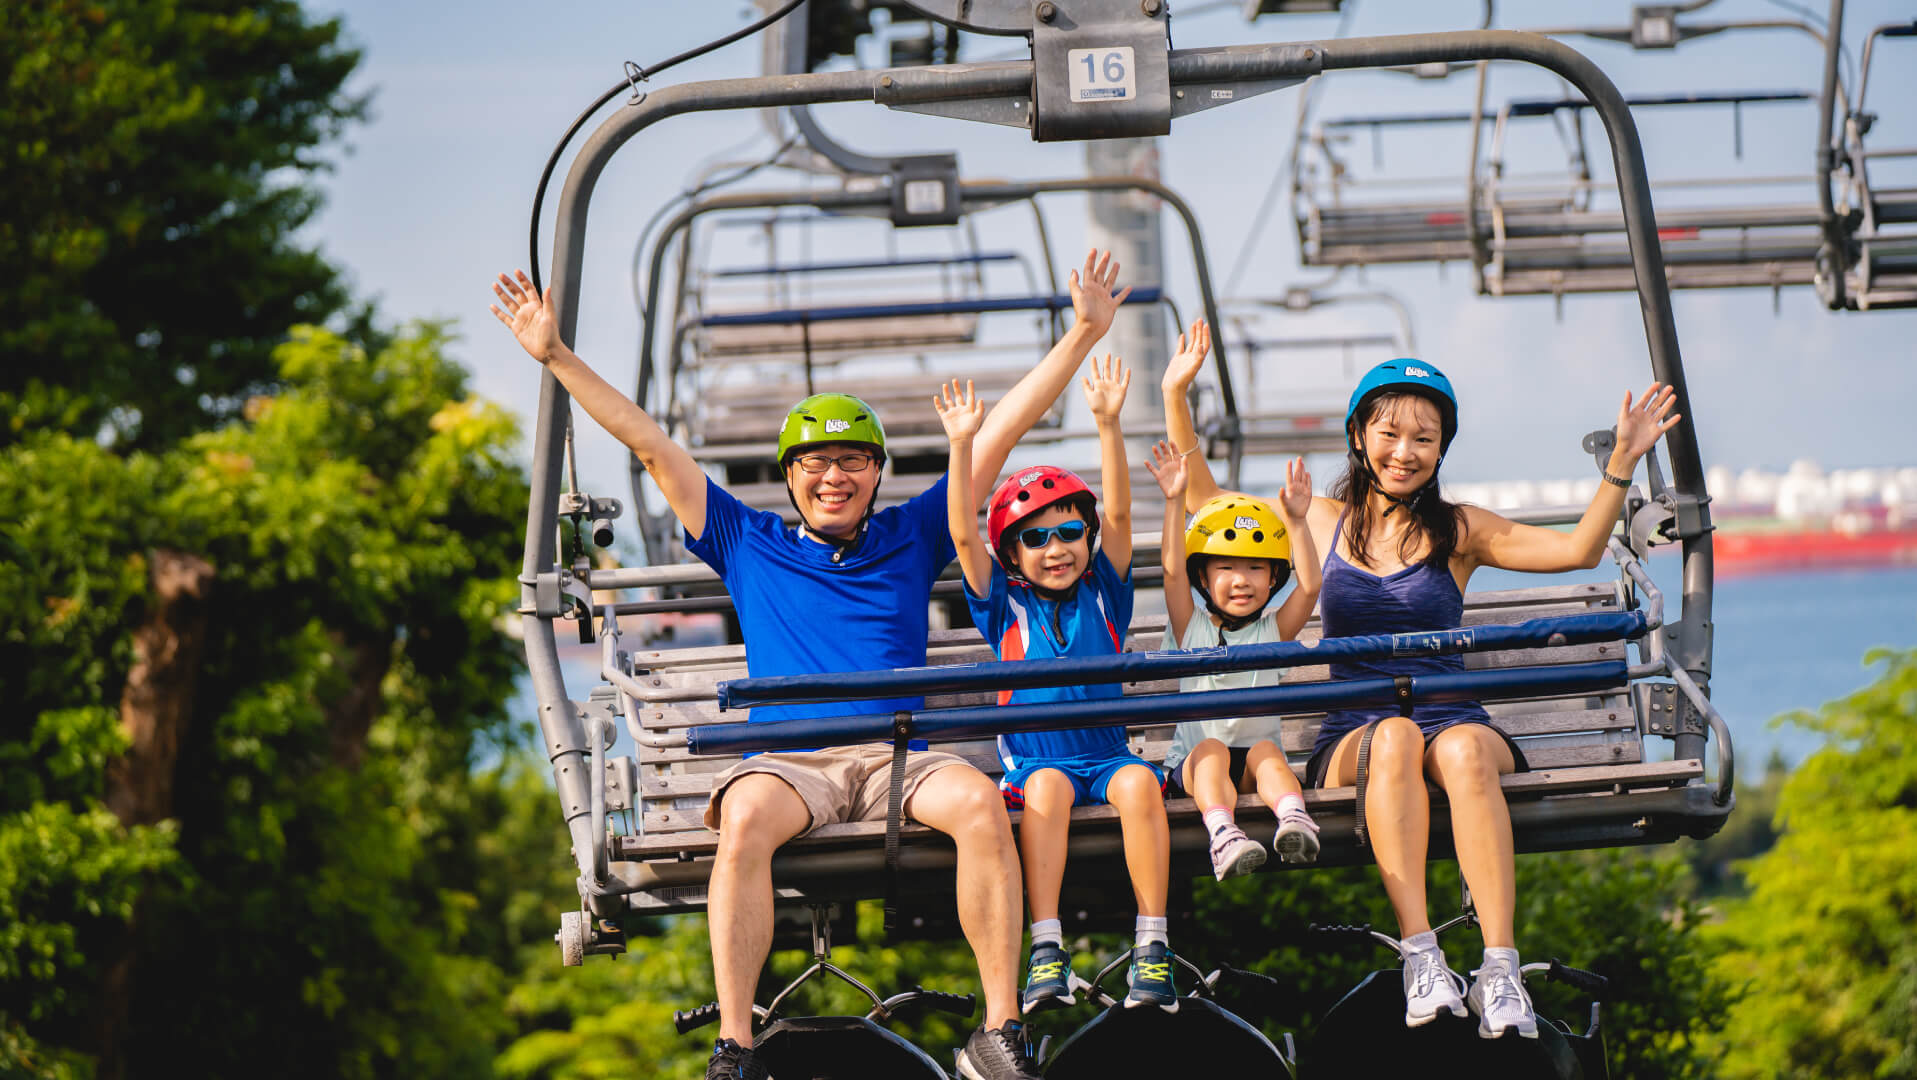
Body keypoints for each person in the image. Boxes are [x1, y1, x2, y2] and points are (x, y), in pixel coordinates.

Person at [491, 250, 1134, 1080]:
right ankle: (735, 1041)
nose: (834, 479)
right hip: (794, 761)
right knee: (746, 822)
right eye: (816, 466)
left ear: (876, 474)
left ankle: (999, 1029)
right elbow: (651, 445)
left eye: (852, 463)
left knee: (979, 803)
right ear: (792, 477)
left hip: (899, 754)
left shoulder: (912, 533)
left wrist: (1083, 333)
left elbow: (1002, 429)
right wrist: (554, 355)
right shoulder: (744, 540)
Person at [1164, 322, 1679, 1040]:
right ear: (1359, 436)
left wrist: (1621, 463)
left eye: (1423, 439)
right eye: (1389, 434)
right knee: (1397, 737)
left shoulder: (1458, 531)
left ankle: (1500, 967)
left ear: (1441, 450)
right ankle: (1422, 954)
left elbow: (1575, 549)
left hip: (1456, 719)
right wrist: (1176, 395)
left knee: (1465, 753)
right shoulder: (1317, 520)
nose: (1404, 453)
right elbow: (1202, 500)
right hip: (1354, 730)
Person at [935, 357, 1177, 1016]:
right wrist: (962, 445)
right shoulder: (1002, 605)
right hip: (1041, 763)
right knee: (1044, 791)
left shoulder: (1106, 594)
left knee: (1136, 784)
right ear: (1012, 556)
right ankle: (1047, 945)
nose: (1056, 548)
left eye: (1070, 531)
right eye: (1036, 539)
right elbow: (960, 532)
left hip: (1107, 754)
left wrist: (1107, 423)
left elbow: (1122, 517)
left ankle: (1152, 943)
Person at [1142, 403, 1322, 881]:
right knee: (1214, 752)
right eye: (1226, 567)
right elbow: (1170, 570)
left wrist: (1298, 523)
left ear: (1272, 577)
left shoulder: (1273, 633)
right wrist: (1173, 503)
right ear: (1203, 576)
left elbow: (1309, 588)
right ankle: (1222, 833)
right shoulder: (1192, 628)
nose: (1241, 580)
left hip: (1251, 768)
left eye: (1255, 568)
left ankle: (1294, 819)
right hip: (1194, 768)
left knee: (1266, 751)